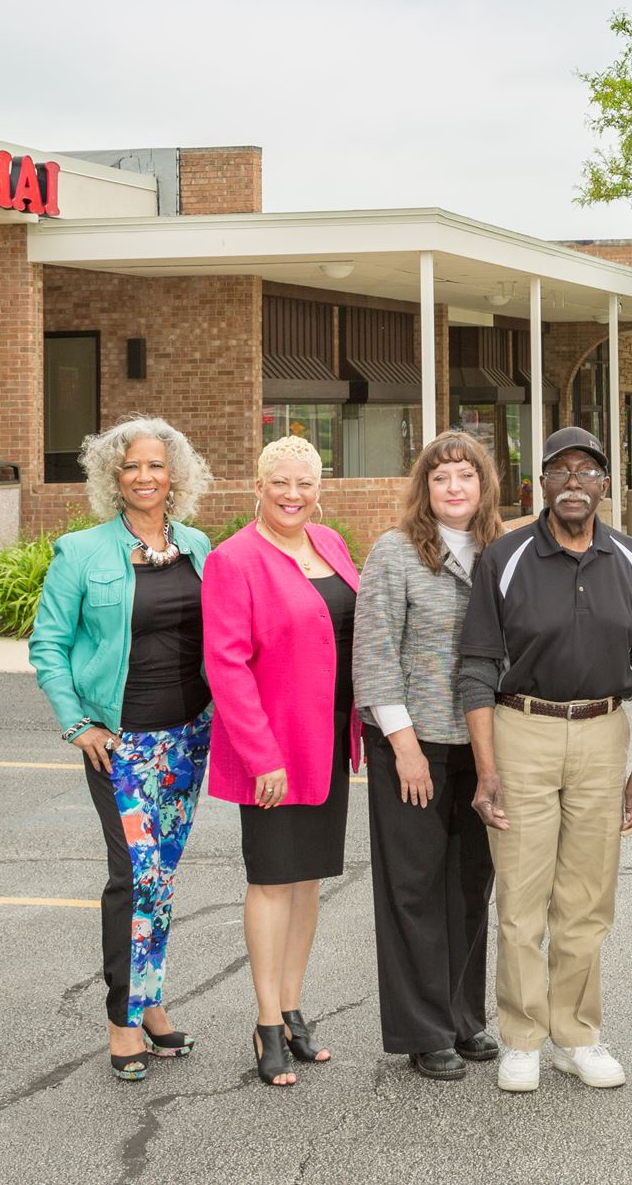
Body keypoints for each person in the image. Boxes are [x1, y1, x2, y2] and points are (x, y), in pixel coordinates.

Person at [457, 425, 632, 1094]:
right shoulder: (507, 557)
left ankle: (576, 1035)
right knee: (521, 896)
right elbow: (477, 667)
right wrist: (487, 769)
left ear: (605, 484)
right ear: (540, 482)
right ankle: (521, 1035)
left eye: (588, 471)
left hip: (605, 730)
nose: (574, 481)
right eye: (561, 470)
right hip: (524, 729)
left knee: (586, 897)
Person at [28, 415, 218, 1082]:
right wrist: (78, 725)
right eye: (131, 466)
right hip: (121, 745)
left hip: (190, 737)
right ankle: (121, 1018)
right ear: (114, 477)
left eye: (156, 466)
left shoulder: (196, 545)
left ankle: (153, 1004)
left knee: (161, 878)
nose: (144, 476)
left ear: (176, 477)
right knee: (133, 875)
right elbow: (47, 645)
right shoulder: (80, 553)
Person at [203, 435, 362, 1089]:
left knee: (307, 880)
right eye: (281, 483)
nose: (293, 494)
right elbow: (227, 665)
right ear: (258, 487)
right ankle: (266, 1020)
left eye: (305, 482)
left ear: (320, 487)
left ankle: (293, 1007)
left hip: (325, 742)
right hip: (271, 747)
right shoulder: (233, 560)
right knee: (271, 879)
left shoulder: (332, 547)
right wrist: (260, 754)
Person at [353, 430, 505, 1082]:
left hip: (481, 744)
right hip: (411, 745)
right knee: (414, 889)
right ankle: (423, 1029)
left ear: (483, 485)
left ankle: (465, 1016)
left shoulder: (501, 552)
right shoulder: (395, 552)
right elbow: (376, 649)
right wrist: (404, 743)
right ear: (425, 486)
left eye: (465, 477)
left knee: (470, 886)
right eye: (441, 477)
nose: (453, 488)